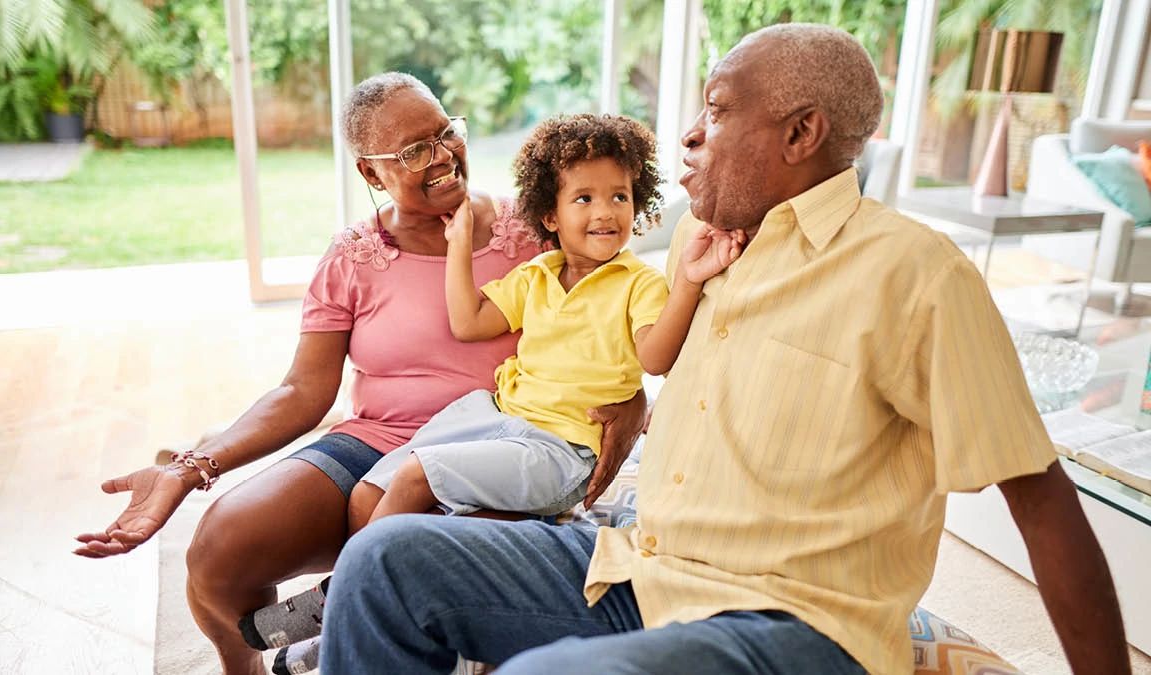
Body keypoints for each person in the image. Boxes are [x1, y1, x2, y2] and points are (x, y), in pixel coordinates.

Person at [317, 24, 1132, 675]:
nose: (689, 134)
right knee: (383, 561)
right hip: (639, 568)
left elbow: (1043, 497)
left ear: (801, 132)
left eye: (717, 109)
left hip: (792, 621)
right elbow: (669, 366)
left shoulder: (916, 274)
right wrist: (632, 396)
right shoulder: (702, 250)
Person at [71, 73, 647, 675]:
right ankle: (251, 666)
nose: (443, 156)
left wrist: (633, 401)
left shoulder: (539, 229)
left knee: (435, 558)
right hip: (378, 441)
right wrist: (190, 469)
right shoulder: (351, 256)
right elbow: (301, 390)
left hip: (513, 440)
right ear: (372, 174)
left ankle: (341, 627)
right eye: (413, 151)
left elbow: (618, 312)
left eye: (446, 133)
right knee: (221, 547)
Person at [238, 115, 746, 669]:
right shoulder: (537, 274)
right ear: (550, 215)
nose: (605, 212)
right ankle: (367, 617)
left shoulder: (640, 283)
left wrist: (691, 281)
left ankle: (336, 604)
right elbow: (470, 321)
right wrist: (458, 245)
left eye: (619, 196)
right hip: (496, 418)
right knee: (367, 496)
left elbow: (655, 358)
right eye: (584, 199)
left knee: (414, 478)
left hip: (560, 447)